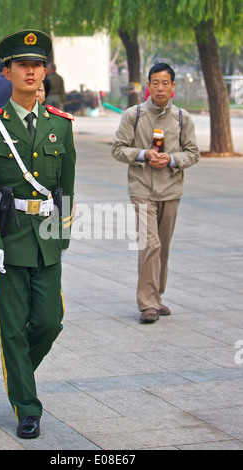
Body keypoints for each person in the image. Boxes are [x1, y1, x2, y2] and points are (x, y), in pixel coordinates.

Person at [0, 29, 76, 438]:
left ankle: (17, 376)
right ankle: (27, 408)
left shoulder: (61, 126)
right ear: (7, 71)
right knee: (12, 330)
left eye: (37, 65)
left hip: (46, 238)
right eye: (22, 65)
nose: (30, 71)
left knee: (50, 322)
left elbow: (66, 188)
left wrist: (62, 236)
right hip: (9, 240)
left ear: (45, 71)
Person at [112, 63, 200, 324]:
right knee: (150, 244)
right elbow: (118, 149)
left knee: (163, 247)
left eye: (165, 83)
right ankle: (148, 303)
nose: (160, 87)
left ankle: (156, 296)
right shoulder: (133, 115)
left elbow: (193, 153)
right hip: (141, 188)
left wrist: (171, 159)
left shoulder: (183, 118)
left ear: (173, 87)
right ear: (148, 85)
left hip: (170, 189)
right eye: (155, 82)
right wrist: (143, 154)